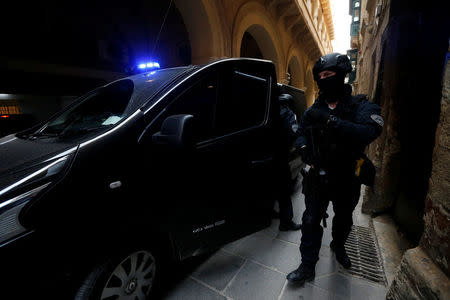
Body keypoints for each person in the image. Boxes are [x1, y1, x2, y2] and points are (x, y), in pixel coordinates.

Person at [286, 53, 384, 284]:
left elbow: (370, 131)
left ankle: (339, 246)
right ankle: (307, 266)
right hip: (318, 178)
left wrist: (332, 122)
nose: (323, 79)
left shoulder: (359, 105)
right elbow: (300, 131)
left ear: (341, 76)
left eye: (328, 75)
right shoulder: (313, 110)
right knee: (310, 220)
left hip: (347, 176)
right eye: (320, 76)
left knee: (343, 219)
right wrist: (302, 147)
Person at [276, 93, 302, 231]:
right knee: (285, 190)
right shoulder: (288, 113)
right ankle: (286, 222)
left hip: (267, 157)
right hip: (281, 156)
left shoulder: (270, 111)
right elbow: (293, 132)